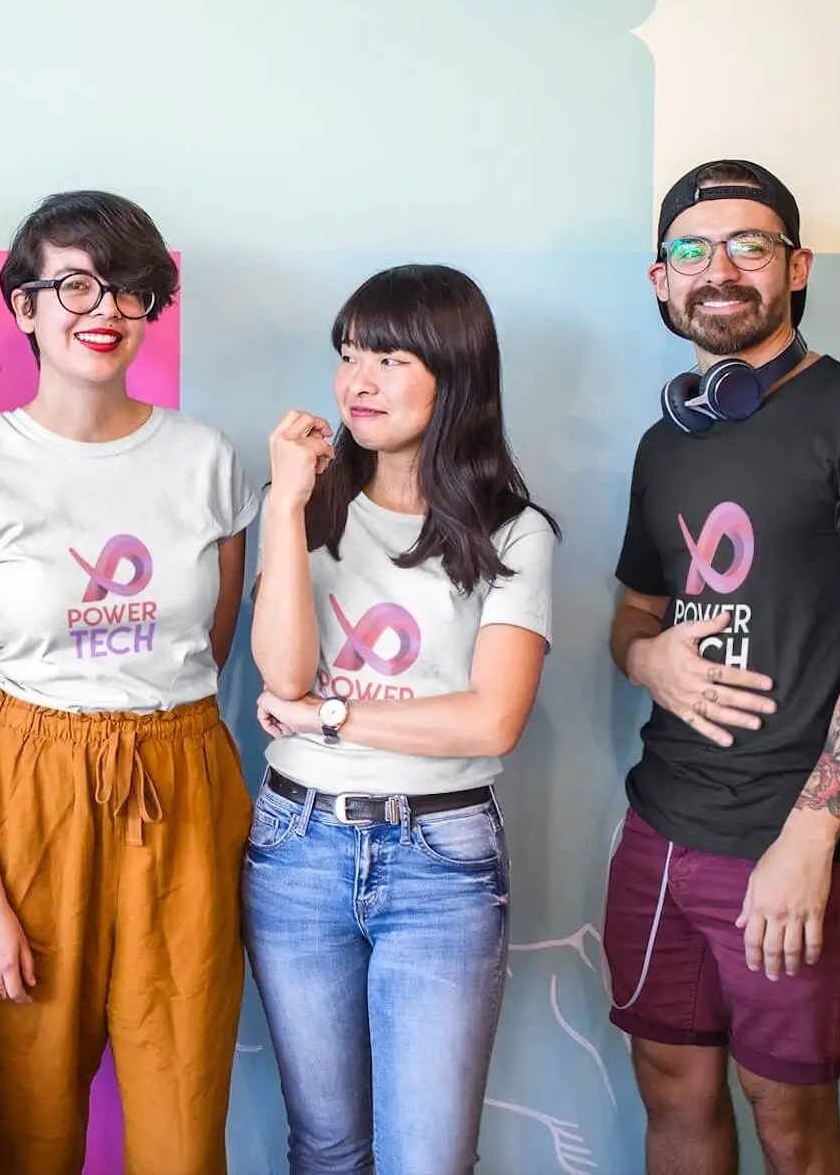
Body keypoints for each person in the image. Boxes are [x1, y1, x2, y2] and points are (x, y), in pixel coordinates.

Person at [604, 159, 840, 1175]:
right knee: (670, 1088)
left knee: (790, 1123)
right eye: (690, 249)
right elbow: (632, 617)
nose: (717, 268)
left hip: (794, 840)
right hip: (659, 827)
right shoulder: (663, 445)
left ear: (795, 267)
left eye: (747, 245)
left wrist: (807, 840)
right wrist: (648, 658)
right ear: (660, 279)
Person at [0, 191, 259, 1175]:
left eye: (127, 288)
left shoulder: (207, 462)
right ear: (23, 306)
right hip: (31, 789)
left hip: (182, 779)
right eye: (72, 285)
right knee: (29, 1121)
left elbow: (209, 646)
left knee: (182, 1124)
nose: (102, 308)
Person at [246, 265, 556, 1175]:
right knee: (327, 1147)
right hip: (297, 846)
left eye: (389, 358)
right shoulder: (307, 505)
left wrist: (329, 716)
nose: (359, 381)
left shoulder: (514, 531)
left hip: (440, 859)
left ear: (454, 373)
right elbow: (280, 674)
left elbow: (491, 721)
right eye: (349, 355)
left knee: (428, 1158)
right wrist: (285, 505)